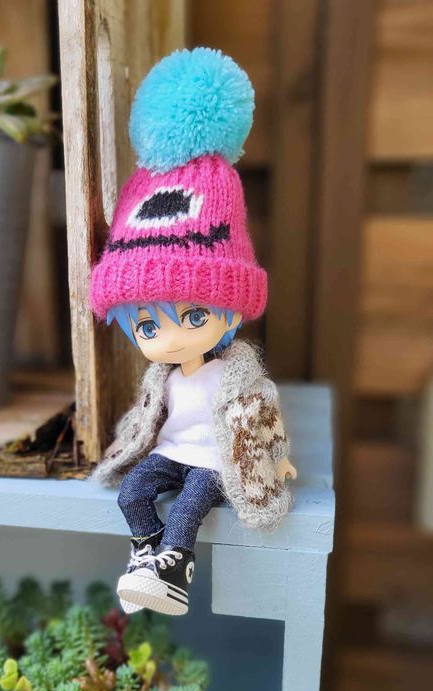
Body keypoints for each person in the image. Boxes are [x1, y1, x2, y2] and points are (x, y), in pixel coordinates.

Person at [89, 48, 296, 616]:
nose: (170, 338)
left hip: (212, 462)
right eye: (147, 324)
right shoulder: (162, 375)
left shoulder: (237, 374)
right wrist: (126, 446)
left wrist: (276, 459)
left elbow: (262, 416)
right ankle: (146, 554)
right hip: (172, 452)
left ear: (231, 310)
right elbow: (146, 419)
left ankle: (176, 567)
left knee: (188, 509)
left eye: (195, 316)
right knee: (133, 492)